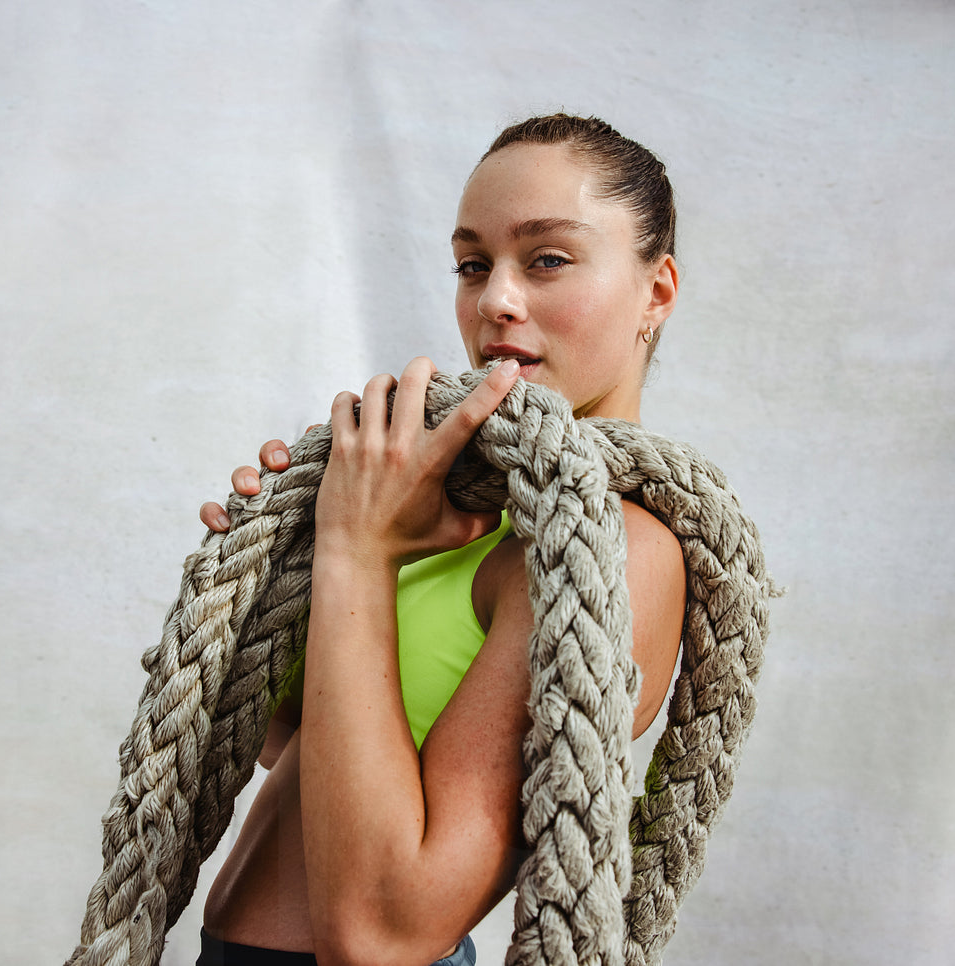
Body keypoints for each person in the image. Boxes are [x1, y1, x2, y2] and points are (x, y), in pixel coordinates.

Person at [194, 114, 687, 966]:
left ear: (657, 291)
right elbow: (307, 759)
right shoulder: (460, 506)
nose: (495, 300)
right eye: (473, 264)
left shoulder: (612, 554)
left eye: (547, 259)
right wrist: (279, 584)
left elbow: (384, 932)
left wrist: (355, 549)